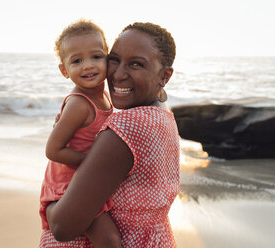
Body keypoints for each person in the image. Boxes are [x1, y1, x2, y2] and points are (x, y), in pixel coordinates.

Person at [41, 22, 180, 247]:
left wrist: (48, 207)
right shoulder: (162, 115)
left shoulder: (127, 125)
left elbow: (62, 227)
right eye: (114, 60)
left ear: (165, 76)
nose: (118, 73)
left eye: (136, 64)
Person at [39, 20, 122, 247]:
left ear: (108, 59)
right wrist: (92, 163)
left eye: (96, 57)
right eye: (77, 61)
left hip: (85, 179)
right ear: (64, 71)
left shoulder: (105, 97)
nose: (88, 66)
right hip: (66, 186)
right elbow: (53, 150)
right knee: (109, 240)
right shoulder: (79, 104)